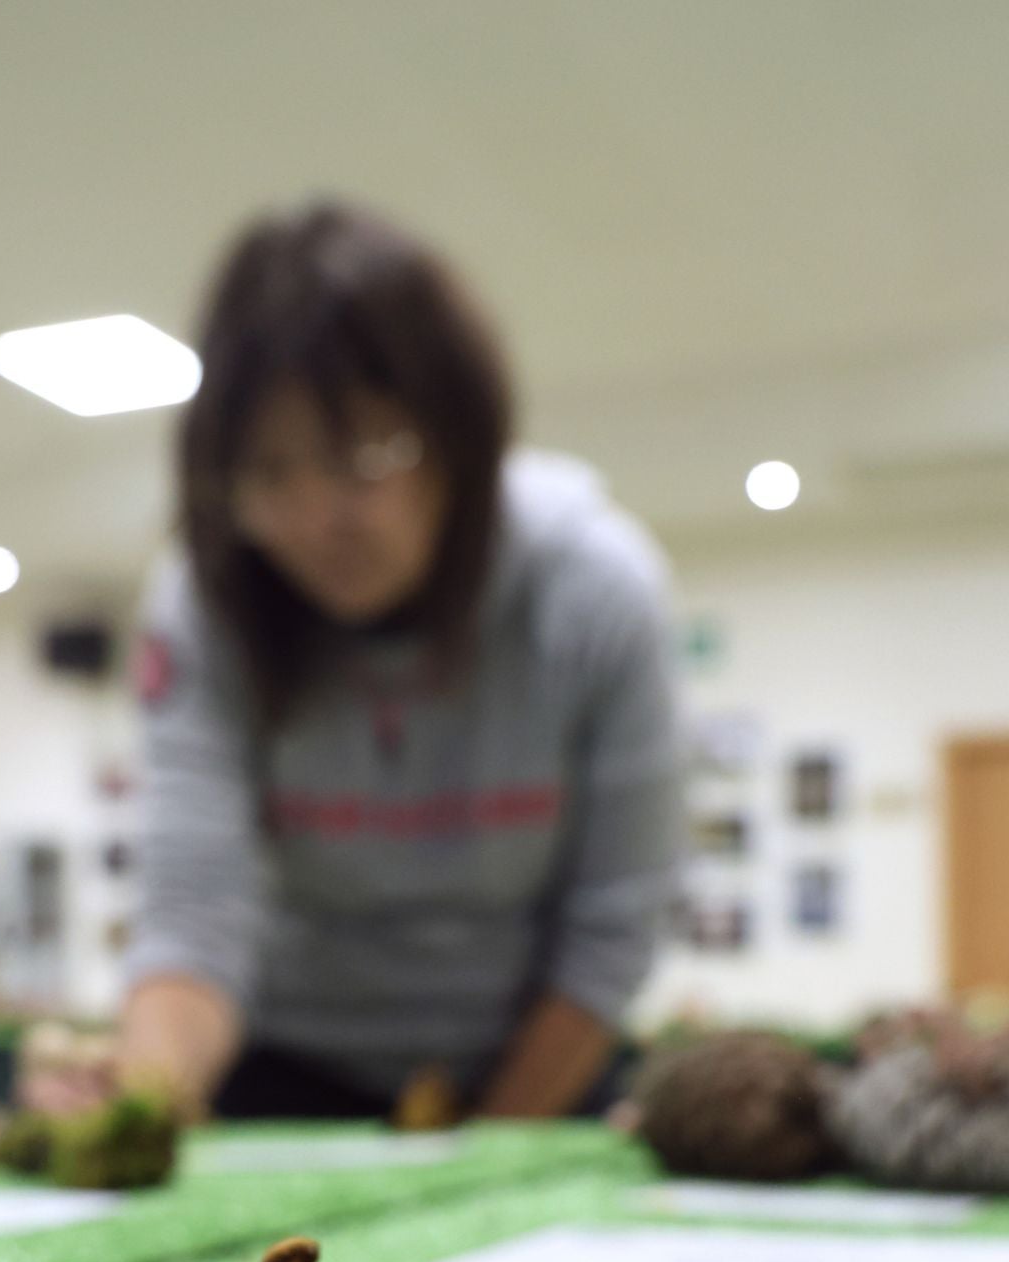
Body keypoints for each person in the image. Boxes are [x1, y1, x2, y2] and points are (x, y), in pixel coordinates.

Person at [119, 200, 679, 1122]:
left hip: (532, 1069)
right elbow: (191, 908)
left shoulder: (595, 591)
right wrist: (140, 1105)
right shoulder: (204, 602)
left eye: (360, 456)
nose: (311, 518)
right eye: (266, 472)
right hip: (284, 1070)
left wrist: (479, 1151)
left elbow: (610, 932)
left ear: (460, 436)